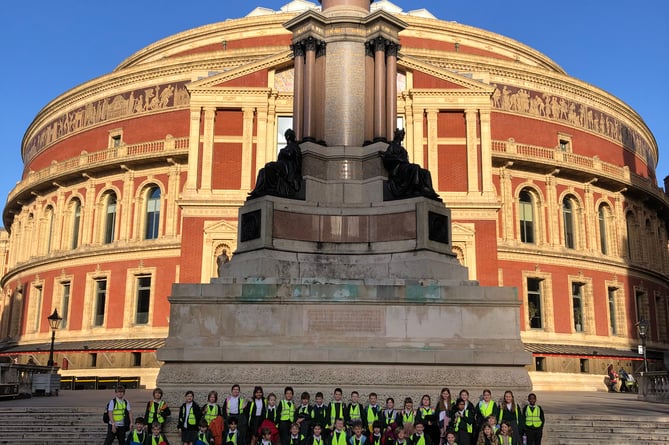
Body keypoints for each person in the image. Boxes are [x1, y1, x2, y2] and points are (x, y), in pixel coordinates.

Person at [379, 128, 441, 201]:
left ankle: (429, 190)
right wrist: (398, 159)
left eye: (402, 136)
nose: (402, 137)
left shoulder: (403, 150)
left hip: (405, 167)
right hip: (398, 168)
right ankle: (416, 188)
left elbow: (406, 161)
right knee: (415, 167)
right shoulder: (392, 147)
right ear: (397, 136)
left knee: (426, 172)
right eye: (401, 135)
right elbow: (387, 158)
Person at [248, 128, 302, 199]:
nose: (287, 137)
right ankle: (258, 190)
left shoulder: (295, 146)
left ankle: (271, 188)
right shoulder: (287, 147)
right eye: (287, 135)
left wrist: (282, 151)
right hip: (281, 165)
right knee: (261, 171)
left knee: (269, 166)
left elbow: (290, 154)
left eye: (289, 135)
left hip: (287, 167)